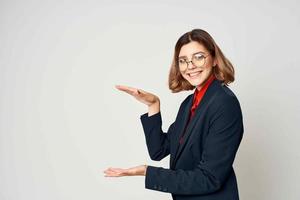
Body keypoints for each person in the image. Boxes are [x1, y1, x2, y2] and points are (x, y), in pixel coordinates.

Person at [103, 28, 244, 200]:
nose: (190, 66)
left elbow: (209, 178)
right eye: (183, 61)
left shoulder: (224, 103)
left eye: (198, 57)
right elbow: (159, 150)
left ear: (214, 59)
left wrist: (148, 173)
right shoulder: (189, 104)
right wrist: (153, 105)